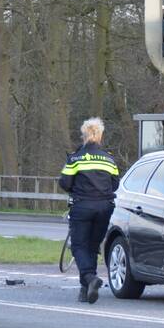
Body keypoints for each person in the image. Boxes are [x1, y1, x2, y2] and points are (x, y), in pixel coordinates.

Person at [59, 117, 120, 304]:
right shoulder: (109, 159)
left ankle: (89, 278)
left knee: (79, 246)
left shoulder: (75, 158)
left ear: (84, 136)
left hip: (82, 206)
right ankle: (85, 290)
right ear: (100, 136)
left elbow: (65, 183)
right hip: (105, 207)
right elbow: (115, 184)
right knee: (92, 246)